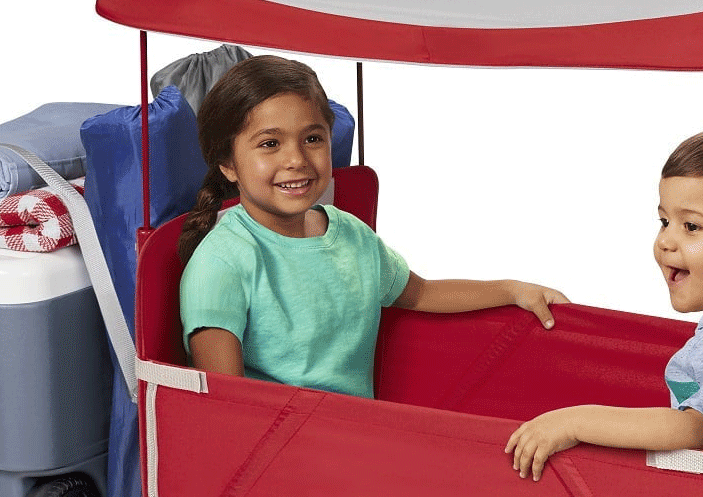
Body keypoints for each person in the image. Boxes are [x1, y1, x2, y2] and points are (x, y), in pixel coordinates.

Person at [179, 56, 567, 393]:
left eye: (312, 138)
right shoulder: (221, 264)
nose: (296, 159)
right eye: (270, 144)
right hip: (278, 444)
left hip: (355, 434)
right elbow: (226, 403)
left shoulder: (351, 235)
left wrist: (511, 290)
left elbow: (422, 293)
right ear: (228, 164)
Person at [505, 124, 703, 480]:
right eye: (665, 221)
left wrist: (574, 422)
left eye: (692, 226)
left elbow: (696, 428)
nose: (665, 241)